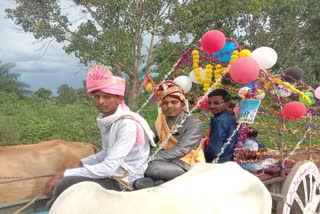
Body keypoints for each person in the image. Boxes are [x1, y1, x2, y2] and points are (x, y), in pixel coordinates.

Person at [45, 65, 155, 209]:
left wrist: (65, 174)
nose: (101, 101)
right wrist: (82, 163)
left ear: (119, 99)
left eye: (107, 97)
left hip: (125, 179)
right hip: (114, 172)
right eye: (97, 97)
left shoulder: (126, 124)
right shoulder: (107, 119)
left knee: (65, 183)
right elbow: (107, 151)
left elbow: (108, 168)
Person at [133, 80, 204, 189]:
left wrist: (151, 158)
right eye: (165, 103)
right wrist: (133, 152)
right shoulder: (160, 119)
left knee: (152, 168)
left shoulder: (194, 123)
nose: (169, 106)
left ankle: (157, 184)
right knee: (135, 163)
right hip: (166, 161)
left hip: (187, 164)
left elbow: (182, 149)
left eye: (174, 102)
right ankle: (157, 183)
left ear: (182, 103)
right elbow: (150, 140)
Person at [204, 89, 237, 163]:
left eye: (216, 103)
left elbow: (214, 149)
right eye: (209, 103)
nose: (211, 106)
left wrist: (202, 157)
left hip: (219, 161)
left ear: (227, 104)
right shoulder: (228, 115)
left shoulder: (220, 120)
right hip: (228, 158)